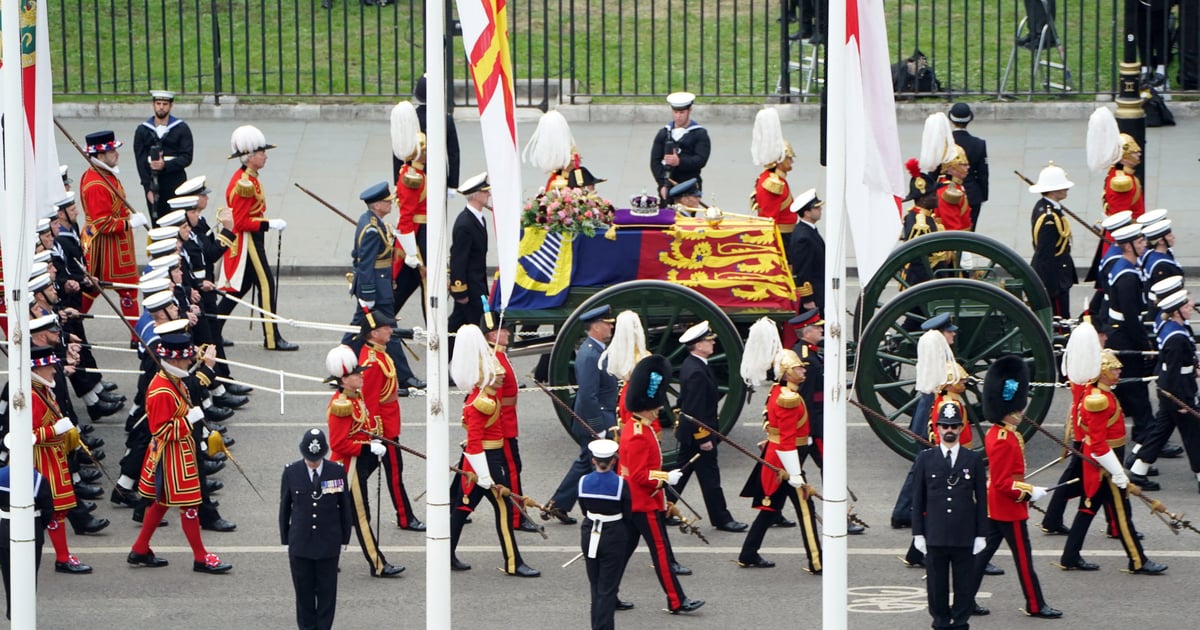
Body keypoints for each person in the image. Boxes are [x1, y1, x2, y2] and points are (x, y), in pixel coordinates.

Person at [127, 321, 232, 574]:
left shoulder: (173, 378)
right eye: (186, 360)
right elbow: (161, 430)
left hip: (178, 452)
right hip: (173, 455)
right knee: (190, 506)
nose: (189, 363)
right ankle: (200, 556)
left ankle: (140, 548)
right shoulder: (162, 388)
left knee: (161, 503)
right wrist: (189, 420)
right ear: (176, 361)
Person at [1057, 348, 1167, 575]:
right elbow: (1098, 445)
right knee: (1121, 513)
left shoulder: (1099, 392)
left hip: (1102, 462)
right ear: (1102, 372)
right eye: (1114, 368)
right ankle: (1137, 560)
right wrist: (1117, 471)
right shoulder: (1098, 400)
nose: (1119, 371)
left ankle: (1069, 556)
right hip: (1105, 464)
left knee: (1087, 509)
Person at [970, 355, 1063, 620]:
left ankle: (965, 600)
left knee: (981, 556)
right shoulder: (1002, 439)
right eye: (1018, 408)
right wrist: (1029, 491)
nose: (1022, 412)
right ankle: (1035, 604)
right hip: (1007, 509)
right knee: (1024, 560)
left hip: (998, 507)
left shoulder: (1004, 433)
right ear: (1007, 410)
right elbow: (1002, 483)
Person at [447, 324, 539, 577]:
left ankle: (446, 554)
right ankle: (513, 562)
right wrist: (485, 475)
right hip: (485, 462)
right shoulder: (483, 403)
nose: (502, 379)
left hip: (482, 463)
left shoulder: (487, 397)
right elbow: (475, 442)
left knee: (462, 508)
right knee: (502, 510)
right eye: (497, 376)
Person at [618, 355, 704, 614]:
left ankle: (606, 592)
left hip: (638, 500)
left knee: (623, 553)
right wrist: (668, 477)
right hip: (642, 502)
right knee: (661, 553)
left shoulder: (638, 428)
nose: (658, 409)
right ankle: (676, 601)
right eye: (655, 406)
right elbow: (640, 477)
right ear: (645, 406)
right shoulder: (638, 436)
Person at [736, 320, 822, 573]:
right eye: (798, 369)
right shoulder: (789, 398)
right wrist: (795, 475)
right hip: (785, 462)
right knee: (806, 509)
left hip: (779, 458)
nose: (803, 371)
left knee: (770, 510)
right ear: (786, 373)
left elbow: (770, 423)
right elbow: (786, 440)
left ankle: (748, 553)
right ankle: (816, 562)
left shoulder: (779, 391)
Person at [322, 345, 405, 578]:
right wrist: (368, 446)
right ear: (344, 379)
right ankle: (378, 564)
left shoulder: (355, 398)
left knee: (340, 517)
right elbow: (339, 445)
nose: (361, 375)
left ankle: (327, 557)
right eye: (356, 374)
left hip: (358, 463)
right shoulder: (342, 405)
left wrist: (372, 442)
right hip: (348, 468)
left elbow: (362, 428)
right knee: (361, 517)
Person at [216, 124, 296, 351]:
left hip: (252, 238)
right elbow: (240, 223)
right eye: (262, 153)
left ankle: (213, 329)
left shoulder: (249, 178)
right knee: (266, 285)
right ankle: (272, 338)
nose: (266, 156)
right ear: (250, 157)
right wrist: (269, 224)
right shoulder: (244, 184)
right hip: (249, 241)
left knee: (240, 289)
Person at [911, 401, 988, 630]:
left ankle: (961, 622)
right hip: (935, 534)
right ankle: (941, 622)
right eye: (944, 426)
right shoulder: (925, 459)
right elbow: (918, 500)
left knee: (964, 585)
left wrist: (981, 534)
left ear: (961, 427)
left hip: (964, 534)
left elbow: (982, 500)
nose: (949, 430)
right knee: (937, 586)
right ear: (937, 428)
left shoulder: (972, 459)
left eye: (954, 426)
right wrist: (918, 533)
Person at [672, 321, 748, 532]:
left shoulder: (694, 365)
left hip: (691, 434)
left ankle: (663, 508)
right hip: (699, 435)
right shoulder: (696, 371)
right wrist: (704, 438)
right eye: (708, 340)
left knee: (681, 473)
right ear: (697, 345)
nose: (712, 343)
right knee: (710, 479)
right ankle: (722, 519)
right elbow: (695, 410)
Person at [547, 305, 617, 524]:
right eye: (607, 324)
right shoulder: (590, 354)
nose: (610, 327)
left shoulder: (594, 350)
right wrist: (598, 427)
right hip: (594, 419)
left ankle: (558, 505)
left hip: (597, 417)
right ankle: (559, 505)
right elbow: (588, 395)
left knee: (585, 463)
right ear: (596, 326)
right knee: (590, 462)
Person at [279, 428, 354, 630]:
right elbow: (285, 509)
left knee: (327, 594)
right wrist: (286, 540)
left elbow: (344, 506)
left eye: (317, 458)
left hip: (328, 543)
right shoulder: (291, 472)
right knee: (303, 594)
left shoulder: (336, 471)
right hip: (301, 543)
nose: (313, 462)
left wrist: (344, 539)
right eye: (310, 458)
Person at [356, 310, 423, 531]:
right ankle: (406, 517)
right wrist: (377, 434)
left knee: (367, 472)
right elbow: (371, 401)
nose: (390, 330)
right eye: (386, 327)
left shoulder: (379, 354)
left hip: (388, 423)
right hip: (384, 428)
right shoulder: (373, 362)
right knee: (394, 474)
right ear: (374, 333)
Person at [28, 345, 93, 575]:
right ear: (37, 368)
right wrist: (55, 429)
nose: (54, 371)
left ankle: (63, 556)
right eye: (49, 366)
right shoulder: (33, 396)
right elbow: (29, 435)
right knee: (49, 511)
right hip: (41, 461)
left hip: (54, 459)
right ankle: (62, 558)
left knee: (58, 511)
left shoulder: (43, 390)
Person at [1127, 290, 1200, 491]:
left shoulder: (1172, 326)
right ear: (1176, 312)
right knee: (1193, 434)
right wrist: (1181, 401)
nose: (1190, 309)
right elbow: (1174, 370)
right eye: (1186, 307)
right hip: (1177, 390)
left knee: (1160, 431)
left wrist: (1193, 366)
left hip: (1170, 388)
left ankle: (1138, 471)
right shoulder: (1176, 337)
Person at [79, 130, 149, 337]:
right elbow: (103, 223)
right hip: (109, 248)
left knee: (92, 288)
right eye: (112, 151)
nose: (116, 154)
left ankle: (71, 324)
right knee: (126, 289)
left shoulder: (104, 175)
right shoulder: (96, 184)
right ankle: (138, 338)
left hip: (113, 245)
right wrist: (130, 223)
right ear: (100, 156)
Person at [1104, 225, 1155, 448]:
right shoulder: (1127, 276)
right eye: (1140, 241)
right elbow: (1131, 317)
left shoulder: (1124, 268)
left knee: (1132, 391)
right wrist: (1146, 345)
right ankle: (1145, 441)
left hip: (1121, 332)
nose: (1144, 244)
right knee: (1137, 391)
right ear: (1128, 246)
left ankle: (1144, 436)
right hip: (1125, 336)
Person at [577, 438, 633, 630]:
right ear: (613, 460)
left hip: (590, 531)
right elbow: (628, 513)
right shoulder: (620, 484)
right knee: (607, 589)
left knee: (596, 587)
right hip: (613, 534)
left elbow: (584, 509)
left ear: (593, 460)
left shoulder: (583, 481)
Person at [391, 102, 429, 318]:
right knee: (428, 286)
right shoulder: (412, 178)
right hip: (419, 235)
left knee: (408, 285)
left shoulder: (415, 173)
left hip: (422, 233)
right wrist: (412, 253)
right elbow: (406, 217)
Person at [0, 466, 53, 619]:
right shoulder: (38, 479)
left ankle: (13, 613)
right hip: (32, 527)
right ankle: (26, 614)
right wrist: (38, 525)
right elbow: (48, 510)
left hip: (5, 529)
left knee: (8, 575)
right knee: (29, 577)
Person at [132, 90, 193, 224]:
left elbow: (187, 157)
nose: (161, 107)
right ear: (153, 105)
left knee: (178, 222)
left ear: (170, 106)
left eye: (165, 104)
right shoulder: (142, 130)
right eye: (158, 103)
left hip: (175, 181)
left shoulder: (181, 128)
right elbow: (140, 162)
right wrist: (147, 188)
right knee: (158, 223)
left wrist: (165, 165)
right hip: (154, 184)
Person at [447, 173, 492, 348]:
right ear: (475, 195)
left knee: (456, 329)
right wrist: (460, 291)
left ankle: (442, 365)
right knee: (479, 331)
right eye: (485, 192)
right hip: (469, 289)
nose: (488, 194)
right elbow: (458, 259)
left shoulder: (478, 219)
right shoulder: (465, 224)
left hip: (477, 287)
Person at [1028, 161, 1077, 318]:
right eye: (1063, 186)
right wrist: (1050, 288)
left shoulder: (1048, 208)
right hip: (1054, 277)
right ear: (1053, 190)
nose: (1067, 189)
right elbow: (1045, 253)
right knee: (1058, 318)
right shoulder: (1049, 217)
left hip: (1059, 272)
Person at [650, 92, 711, 201]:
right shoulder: (663, 133)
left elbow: (701, 160)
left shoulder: (699, 134)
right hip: (668, 186)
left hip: (689, 187)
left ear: (689, 111)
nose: (678, 116)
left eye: (682, 112)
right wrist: (662, 184)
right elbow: (655, 161)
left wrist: (679, 162)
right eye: (675, 112)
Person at [403, 74, 460, 189]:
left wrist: (397, 181)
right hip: (438, 174)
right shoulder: (446, 119)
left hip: (411, 175)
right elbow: (453, 154)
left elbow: (400, 151)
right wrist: (453, 184)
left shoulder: (409, 118)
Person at [918, 113, 971, 232]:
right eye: (963, 164)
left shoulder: (955, 187)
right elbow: (952, 229)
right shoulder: (948, 193)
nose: (968, 167)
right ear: (951, 168)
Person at [749, 108, 797, 232]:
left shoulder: (776, 178)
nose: (792, 161)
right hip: (781, 237)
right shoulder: (772, 183)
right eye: (789, 158)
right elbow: (769, 220)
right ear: (779, 160)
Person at [948, 103, 988, 229]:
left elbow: (935, 171)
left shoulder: (945, 143)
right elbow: (983, 174)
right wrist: (983, 195)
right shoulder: (978, 144)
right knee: (969, 233)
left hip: (947, 191)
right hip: (972, 194)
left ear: (951, 119)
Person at [788, 189, 825, 314]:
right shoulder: (803, 237)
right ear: (807, 213)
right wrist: (807, 299)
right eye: (816, 208)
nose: (820, 210)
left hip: (818, 291)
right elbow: (802, 270)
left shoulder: (808, 231)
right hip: (814, 296)